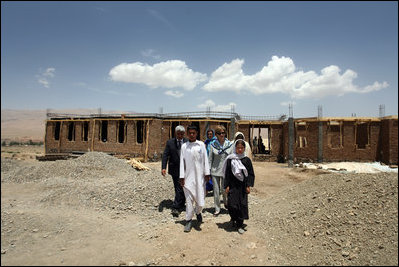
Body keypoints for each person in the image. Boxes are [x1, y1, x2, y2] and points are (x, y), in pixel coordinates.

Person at [179, 125, 211, 232]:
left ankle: (198, 212)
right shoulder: (184, 146)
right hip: (188, 178)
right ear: (187, 134)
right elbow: (182, 163)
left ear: (196, 134)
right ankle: (188, 221)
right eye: (190, 133)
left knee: (200, 198)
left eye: (194, 133)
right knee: (188, 200)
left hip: (200, 178)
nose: (192, 135)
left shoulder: (201, 145)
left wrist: (207, 173)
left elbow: (205, 159)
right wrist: (181, 177)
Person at [223, 139, 255, 234]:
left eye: (242, 148)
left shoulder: (247, 160)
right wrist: (226, 185)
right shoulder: (230, 159)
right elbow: (227, 173)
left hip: (242, 186)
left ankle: (240, 224)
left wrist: (248, 185)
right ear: (235, 148)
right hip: (232, 185)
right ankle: (233, 219)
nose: (240, 150)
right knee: (232, 205)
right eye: (238, 148)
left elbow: (250, 174)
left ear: (244, 148)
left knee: (242, 205)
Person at [161, 125, 188, 217]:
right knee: (178, 186)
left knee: (183, 187)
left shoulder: (187, 142)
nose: (180, 136)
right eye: (178, 134)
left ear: (184, 134)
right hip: (174, 169)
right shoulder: (170, 142)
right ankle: (176, 207)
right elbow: (165, 155)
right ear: (175, 133)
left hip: (185, 169)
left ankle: (181, 204)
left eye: (181, 134)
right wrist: (163, 167)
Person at [208, 125, 233, 216]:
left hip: (225, 171)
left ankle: (226, 202)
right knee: (216, 190)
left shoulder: (229, 145)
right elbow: (210, 159)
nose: (222, 135)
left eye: (223, 133)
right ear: (216, 135)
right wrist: (208, 171)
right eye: (219, 133)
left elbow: (232, 158)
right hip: (215, 171)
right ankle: (217, 208)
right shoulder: (213, 145)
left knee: (224, 189)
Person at [204, 129, 216, 193]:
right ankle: (207, 189)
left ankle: (215, 189)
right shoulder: (206, 142)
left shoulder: (215, 141)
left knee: (214, 175)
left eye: (211, 134)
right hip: (207, 161)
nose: (209, 135)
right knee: (207, 174)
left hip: (214, 161)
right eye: (208, 134)